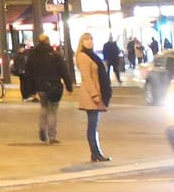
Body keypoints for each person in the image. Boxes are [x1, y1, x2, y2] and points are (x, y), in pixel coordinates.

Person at [24, 34, 71, 145]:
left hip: (40, 87)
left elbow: (29, 73)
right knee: (53, 110)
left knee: (44, 107)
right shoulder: (55, 55)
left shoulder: (33, 56)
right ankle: (52, 135)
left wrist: (31, 89)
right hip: (54, 86)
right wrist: (69, 86)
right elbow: (64, 71)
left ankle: (42, 128)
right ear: (48, 41)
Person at [73, 32, 111, 163]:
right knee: (92, 125)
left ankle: (96, 153)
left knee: (93, 125)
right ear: (81, 42)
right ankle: (95, 153)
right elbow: (87, 78)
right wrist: (94, 94)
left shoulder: (92, 56)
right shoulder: (83, 56)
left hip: (96, 92)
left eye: (91, 39)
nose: (89, 41)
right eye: (86, 39)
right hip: (90, 95)